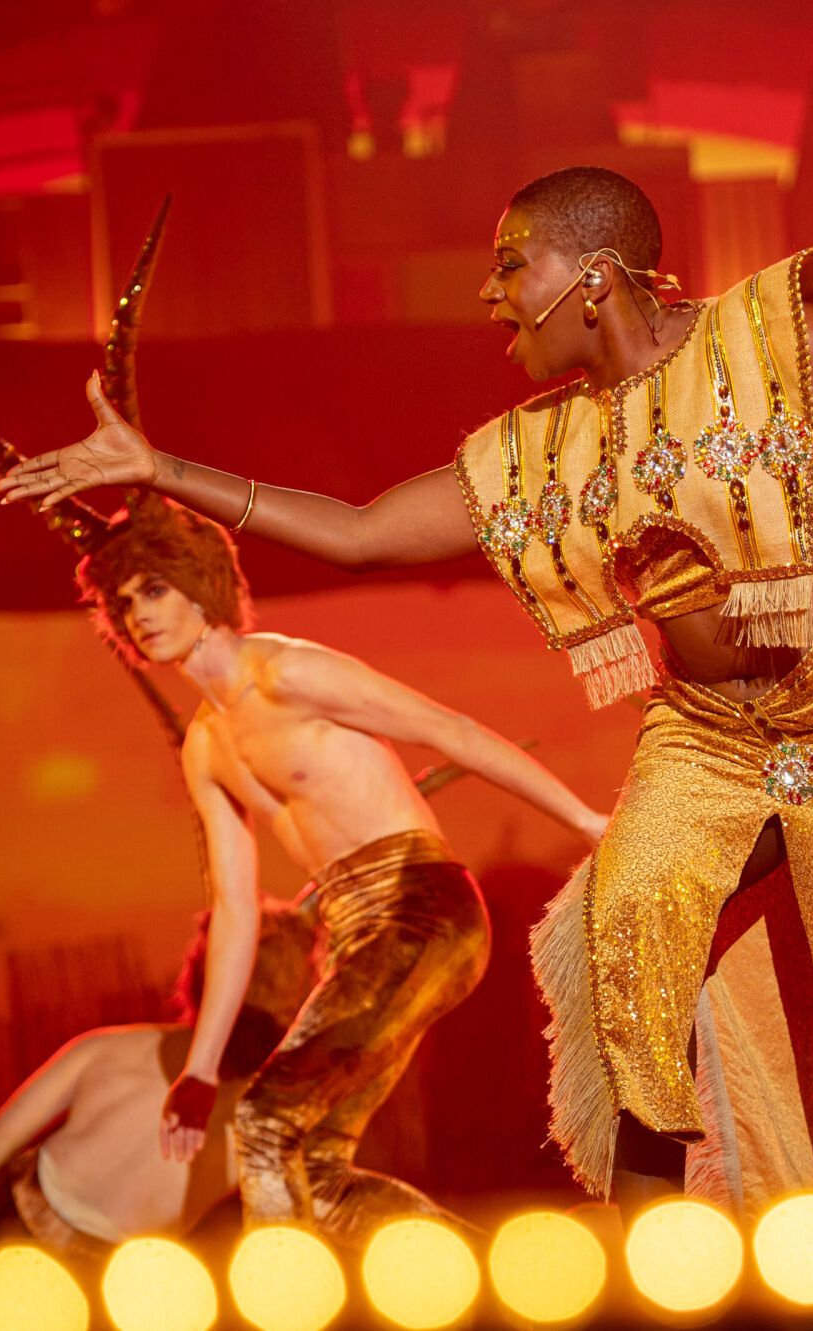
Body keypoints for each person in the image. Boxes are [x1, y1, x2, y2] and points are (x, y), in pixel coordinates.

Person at [0, 165, 813, 1207]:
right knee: (627, 953)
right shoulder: (531, 450)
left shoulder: (768, 341)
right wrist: (162, 469)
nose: (489, 294)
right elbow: (356, 533)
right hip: (709, 739)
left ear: (595, 277)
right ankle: (649, 1255)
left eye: (512, 265)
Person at [76, 494, 607, 1241]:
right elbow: (234, 909)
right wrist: (198, 1069)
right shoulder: (205, 746)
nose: (140, 613)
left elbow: (447, 729)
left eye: (154, 588)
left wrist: (583, 819)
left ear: (198, 582)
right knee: (311, 1166)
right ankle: (506, 1276)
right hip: (363, 937)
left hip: (422, 907)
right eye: (124, 601)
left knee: (263, 1122)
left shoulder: (291, 673)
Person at [0, 904, 318, 1262]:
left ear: (198, 974)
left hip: (16, 1243)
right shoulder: (275, 1124)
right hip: (102, 1281)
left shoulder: (109, 1050)